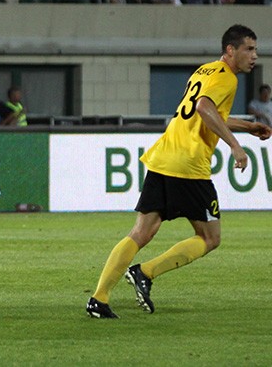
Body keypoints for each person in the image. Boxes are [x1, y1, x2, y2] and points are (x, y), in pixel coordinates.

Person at [86, 25, 272, 319]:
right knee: (210, 237)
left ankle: (99, 298)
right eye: (249, 49)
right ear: (230, 50)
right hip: (188, 165)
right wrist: (236, 146)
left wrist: (248, 126)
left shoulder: (204, 71)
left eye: (255, 50)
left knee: (141, 232)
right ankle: (145, 272)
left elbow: (208, 113)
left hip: (164, 156)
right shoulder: (227, 78)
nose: (254, 56)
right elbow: (204, 108)